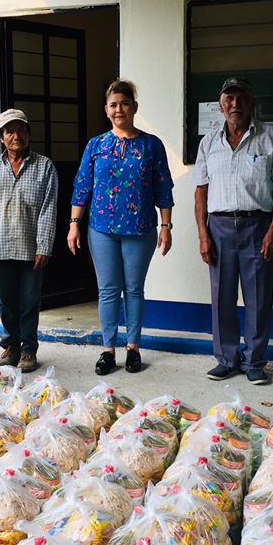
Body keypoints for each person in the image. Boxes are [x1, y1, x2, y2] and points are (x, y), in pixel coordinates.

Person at [68, 79, 174, 375]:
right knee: (108, 290)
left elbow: (163, 188)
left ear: (134, 107)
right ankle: (107, 350)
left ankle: (133, 349)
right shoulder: (97, 145)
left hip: (140, 229)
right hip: (101, 229)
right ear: (106, 109)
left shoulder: (151, 145)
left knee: (134, 290)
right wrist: (74, 224)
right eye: (113, 105)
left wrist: (166, 225)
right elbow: (82, 187)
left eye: (124, 104)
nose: (119, 110)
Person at [194, 78, 273, 385]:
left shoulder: (270, 137)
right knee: (221, 297)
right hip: (219, 226)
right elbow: (200, 194)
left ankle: (255, 361)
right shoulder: (209, 142)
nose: (235, 104)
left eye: (241, 98)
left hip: (257, 225)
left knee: (259, 298)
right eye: (229, 98)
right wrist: (203, 235)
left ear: (251, 102)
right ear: (220, 105)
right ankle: (226, 359)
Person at [0, 108, 58, 373]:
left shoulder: (44, 166)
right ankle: (11, 345)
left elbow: (49, 209)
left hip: (31, 247)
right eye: (9, 131)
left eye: (21, 130)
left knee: (29, 302)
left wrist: (44, 245)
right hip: (0, 247)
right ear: (2, 137)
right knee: (7, 302)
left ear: (28, 134)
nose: (16, 136)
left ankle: (28, 350)